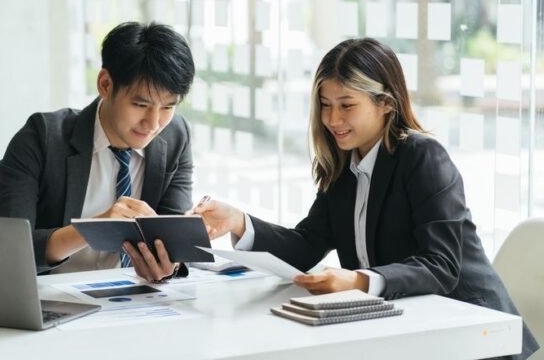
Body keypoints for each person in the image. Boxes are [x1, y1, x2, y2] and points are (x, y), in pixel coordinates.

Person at [194, 38, 538, 359]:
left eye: (347, 106)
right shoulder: (345, 168)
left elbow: (441, 265)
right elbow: (306, 245)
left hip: (474, 334)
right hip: (406, 326)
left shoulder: (422, 157)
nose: (332, 119)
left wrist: (359, 280)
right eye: (326, 105)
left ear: (386, 104)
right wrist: (239, 221)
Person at [0, 21, 195, 282]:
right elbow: (4, 248)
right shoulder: (41, 138)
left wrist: (171, 265)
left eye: (168, 107)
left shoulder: (176, 137)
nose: (153, 123)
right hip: (48, 299)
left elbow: (174, 240)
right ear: (105, 84)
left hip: (138, 302)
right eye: (140, 104)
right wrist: (95, 229)